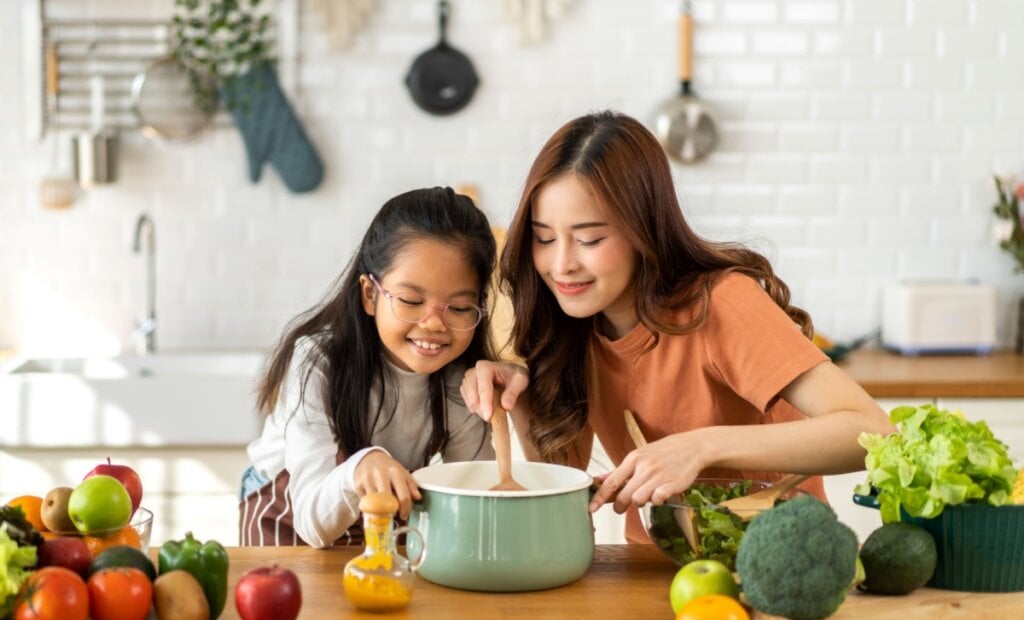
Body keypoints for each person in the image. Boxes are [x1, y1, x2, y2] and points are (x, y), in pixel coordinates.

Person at [460, 111, 893, 543]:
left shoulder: (720, 302)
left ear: (642, 228)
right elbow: (563, 482)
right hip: (653, 571)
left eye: (590, 239)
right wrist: (518, 397)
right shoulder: (571, 328)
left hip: (780, 565)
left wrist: (701, 447)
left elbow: (873, 431)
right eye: (544, 238)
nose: (561, 265)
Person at [240, 187, 497, 547]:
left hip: (381, 517)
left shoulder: (459, 382)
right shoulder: (317, 361)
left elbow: (477, 493)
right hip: (287, 513)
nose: (435, 324)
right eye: (411, 300)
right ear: (370, 295)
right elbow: (313, 523)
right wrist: (361, 466)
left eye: (457, 308)